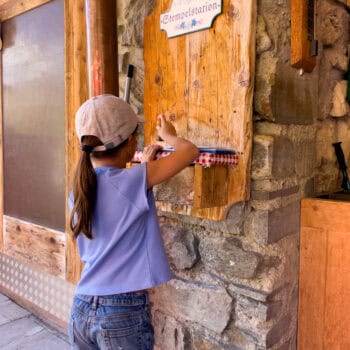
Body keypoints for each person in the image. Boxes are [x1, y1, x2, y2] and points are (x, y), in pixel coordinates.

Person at [68, 94, 199, 350]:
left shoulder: (79, 188)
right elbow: (190, 152)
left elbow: (117, 194)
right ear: (130, 143)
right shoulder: (136, 179)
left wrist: (144, 166)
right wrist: (169, 135)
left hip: (82, 306)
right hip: (121, 311)